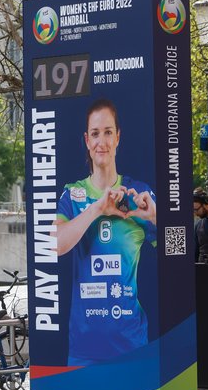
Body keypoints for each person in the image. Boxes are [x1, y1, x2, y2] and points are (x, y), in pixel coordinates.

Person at [55, 99, 156, 367]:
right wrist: (98, 207)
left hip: (131, 346)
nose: (102, 141)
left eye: (108, 132)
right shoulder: (72, 194)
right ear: (87, 140)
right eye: (96, 134)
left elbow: (176, 245)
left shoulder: (137, 194)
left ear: (118, 137)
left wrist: (155, 216)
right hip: (84, 348)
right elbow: (55, 244)